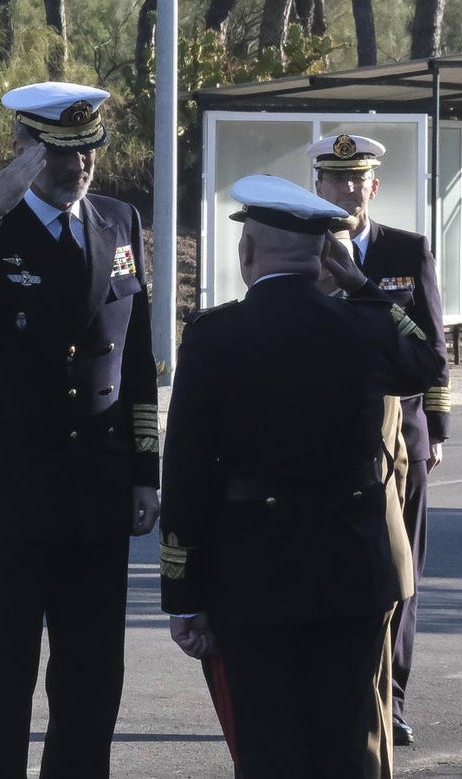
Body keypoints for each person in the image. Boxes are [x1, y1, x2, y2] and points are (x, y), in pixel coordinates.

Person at [0, 81, 160, 779]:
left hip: (96, 497)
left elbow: (135, 358)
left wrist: (145, 470)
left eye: (87, 154)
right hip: (12, 499)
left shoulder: (118, 222)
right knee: (3, 684)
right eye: (59, 156)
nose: (79, 169)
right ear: (22, 152)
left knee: (90, 685)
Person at [160, 174, 441, 778]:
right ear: (325, 259)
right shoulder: (364, 325)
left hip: (251, 575)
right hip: (353, 569)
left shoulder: (214, 337)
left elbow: (184, 473)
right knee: (347, 744)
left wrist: (182, 595)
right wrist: (365, 287)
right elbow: (428, 362)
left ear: (246, 253)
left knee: (269, 747)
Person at [308, 133, 452, 747]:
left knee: (401, 575)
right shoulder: (303, 249)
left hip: (402, 435)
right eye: (334, 180)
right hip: (331, 439)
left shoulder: (406, 250)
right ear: (317, 186)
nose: (344, 191)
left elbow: (433, 348)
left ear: (374, 186)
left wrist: (436, 431)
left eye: (355, 180)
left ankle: (389, 698)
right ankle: (333, 693)